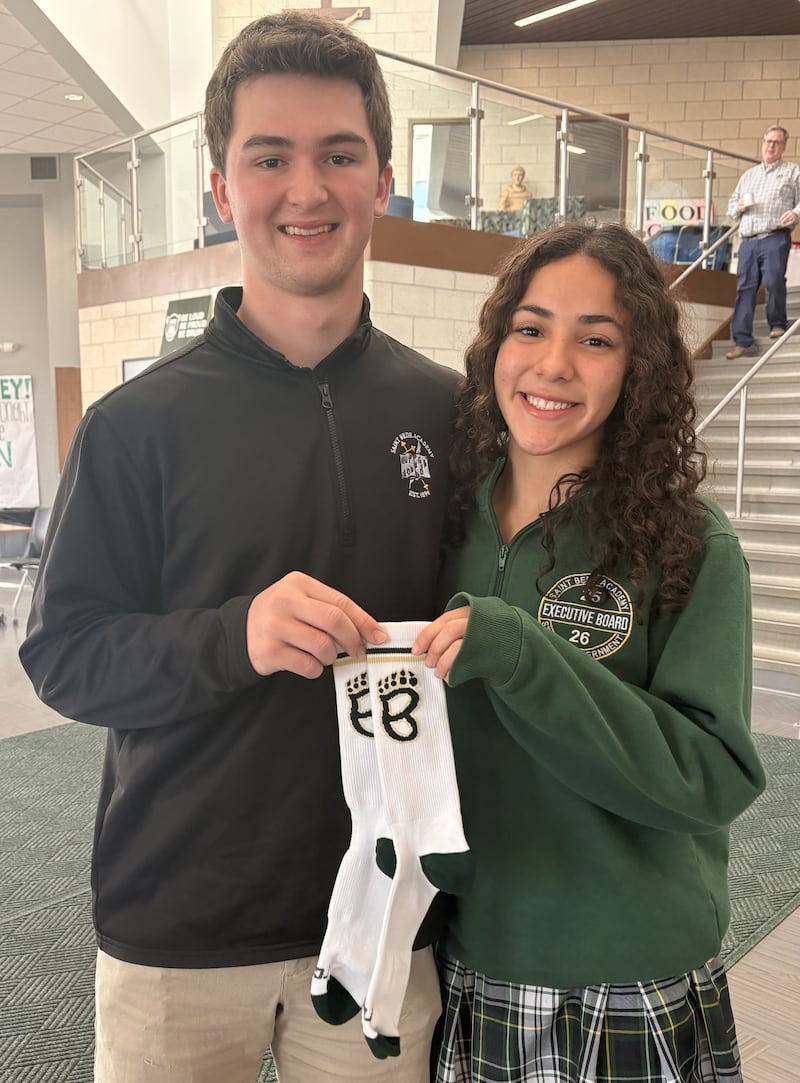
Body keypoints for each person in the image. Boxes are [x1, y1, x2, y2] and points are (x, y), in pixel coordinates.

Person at [19, 12, 459, 1083]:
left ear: (382, 181)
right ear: (221, 188)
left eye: (338, 155)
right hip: (177, 928)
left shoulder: (447, 411)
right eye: (269, 158)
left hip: (382, 925)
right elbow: (63, 654)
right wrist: (235, 637)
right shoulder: (137, 423)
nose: (305, 190)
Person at [413, 222, 767, 1082]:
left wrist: (528, 659)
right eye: (530, 328)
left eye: (596, 339)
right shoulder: (440, 520)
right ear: (497, 344)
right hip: (469, 955)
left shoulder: (687, 542)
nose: (553, 363)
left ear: (638, 367)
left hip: (625, 972)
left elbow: (712, 774)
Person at [725, 124, 800, 359]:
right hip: (748, 240)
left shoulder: (792, 172)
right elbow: (731, 209)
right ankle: (743, 341)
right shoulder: (749, 176)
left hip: (774, 236)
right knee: (744, 289)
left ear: (783, 147)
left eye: (776, 142)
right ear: (763, 143)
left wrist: (796, 213)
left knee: (773, 279)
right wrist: (738, 207)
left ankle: (777, 324)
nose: (771, 146)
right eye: (768, 141)